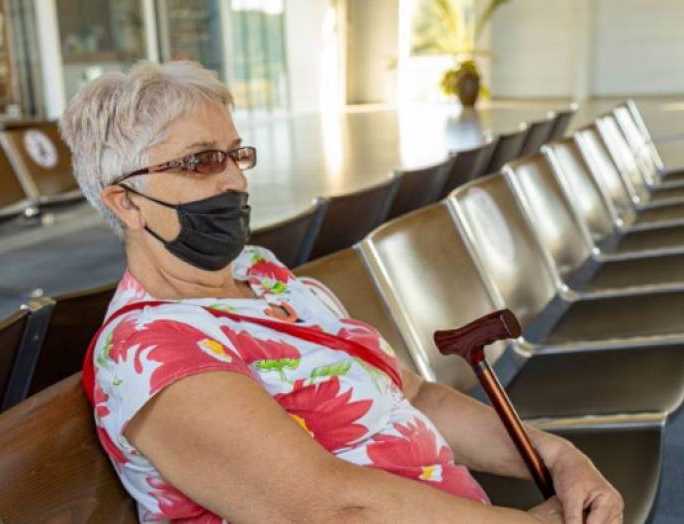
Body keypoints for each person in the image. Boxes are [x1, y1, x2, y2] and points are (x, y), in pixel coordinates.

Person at [60, 61, 623, 524]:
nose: (234, 179)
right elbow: (329, 508)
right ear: (126, 202)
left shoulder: (263, 275)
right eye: (202, 161)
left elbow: (415, 397)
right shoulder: (148, 351)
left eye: (236, 154)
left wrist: (559, 457)